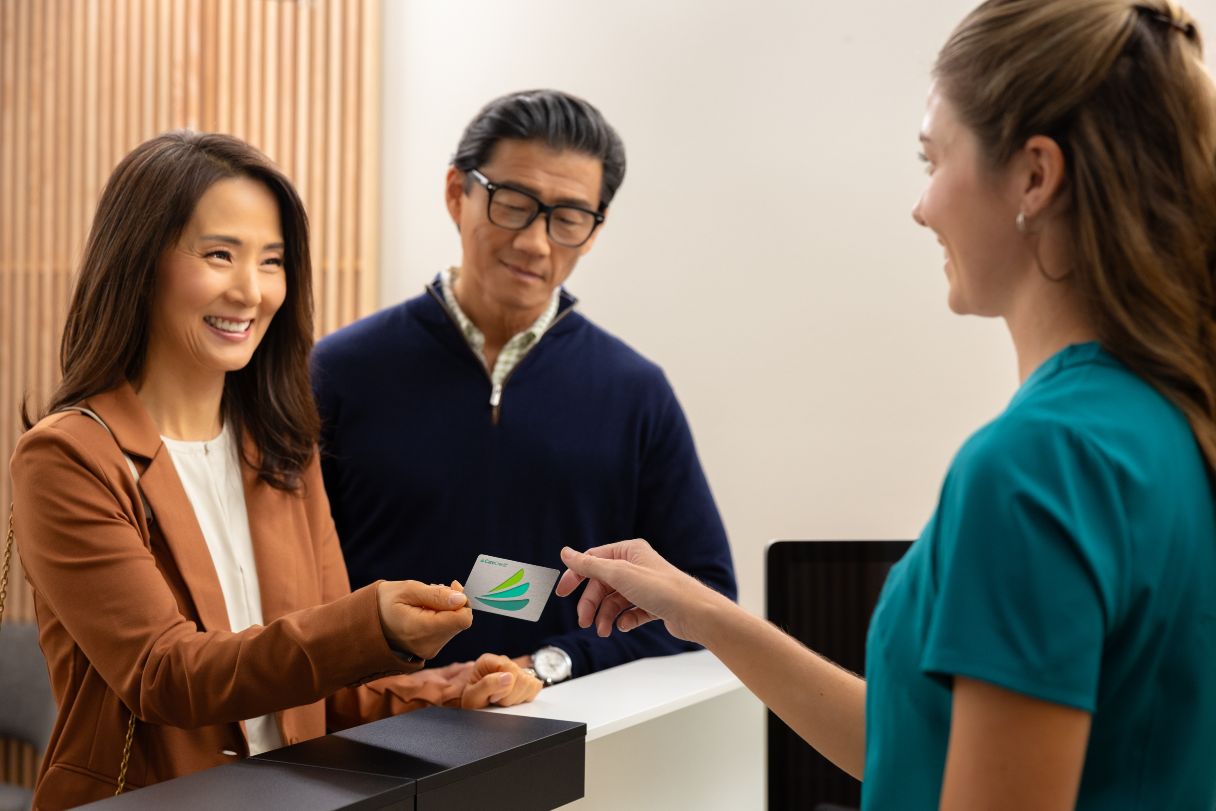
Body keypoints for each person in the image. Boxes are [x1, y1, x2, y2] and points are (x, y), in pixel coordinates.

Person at [555, 1, 1216, 807]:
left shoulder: (1037, 463)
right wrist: (703, 613)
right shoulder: (1164, 421)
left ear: (1036, 177)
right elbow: (921, 745)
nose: (922, 205)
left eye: (932, 161)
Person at [9, 131, 540, 809]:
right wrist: (366, 624)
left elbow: (325, 688)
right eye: (219, 255)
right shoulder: (69, 457)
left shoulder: (282, 448)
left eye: (272, 261)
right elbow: (165, 674)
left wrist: (456, 692)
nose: (250, 290)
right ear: (140, 261)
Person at [311, 89, 737, 682]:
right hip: (365, 736)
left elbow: (707, 599)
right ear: (457, 194)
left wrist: (549, 665)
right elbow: (280, 587)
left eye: (567, 219)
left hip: (562, 735)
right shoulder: (338, 371)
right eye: (513, 203)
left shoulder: (634, 392)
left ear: (593, 231)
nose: (535, 242)